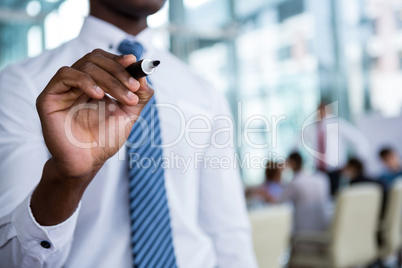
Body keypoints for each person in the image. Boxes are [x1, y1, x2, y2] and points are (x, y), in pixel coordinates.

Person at [0, 1, 257, 267]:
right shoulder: (21, 85)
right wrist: (66, 179)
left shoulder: (204, 92)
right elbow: (10, 259)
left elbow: (228, 233)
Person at [296, 101, 371, 196]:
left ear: (329, 110)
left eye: (323, 110)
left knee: (338, 196)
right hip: (319, 171)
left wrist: (356, 163)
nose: (321, 113)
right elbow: (297, 143)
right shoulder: (311, 128)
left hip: (337, 171)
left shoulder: (338, 124)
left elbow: (359, 140)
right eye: (319, 110)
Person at [281, 152, 329, 233]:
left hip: (303, 234)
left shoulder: (295, 183)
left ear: (292, 163)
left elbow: (279, 202)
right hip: (323, 230)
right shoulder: (321, 179)